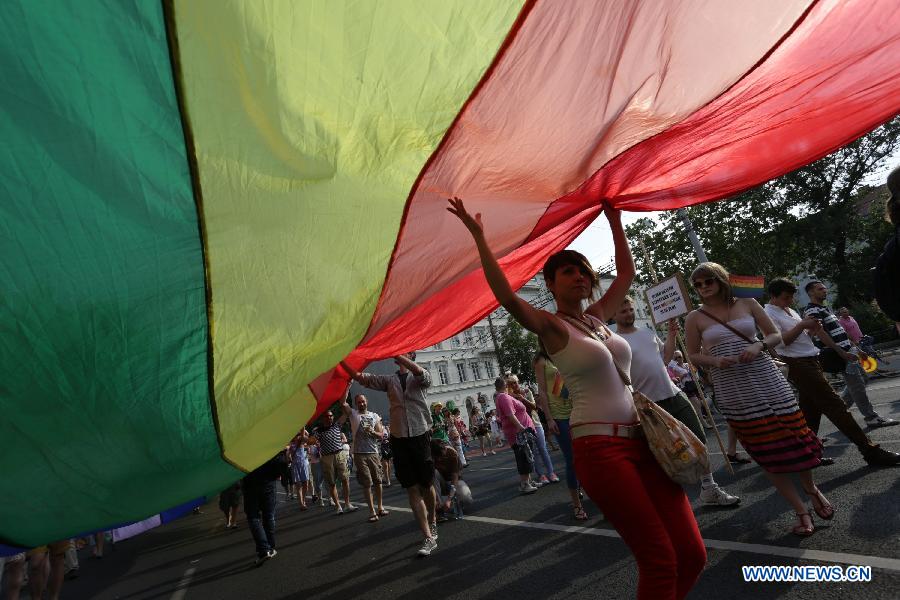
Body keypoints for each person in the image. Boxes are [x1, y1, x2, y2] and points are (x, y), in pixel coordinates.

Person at [449, 197, 705, 599]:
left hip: (645, 441)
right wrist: (480, 238)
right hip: (601, 449)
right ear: (550, 284)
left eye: (584, 271)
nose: (579, 277)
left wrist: (615, 220)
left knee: (692, 555)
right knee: (660, 561)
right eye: (568, 272)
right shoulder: (551, 326)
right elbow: (507, 298)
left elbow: (626, 273)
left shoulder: (597, 319)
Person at [685, 262, 828, 537]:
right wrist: (714, 359)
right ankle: (800, 510)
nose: (704, 288)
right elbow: (692, 354)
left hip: (766, 378)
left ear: (721, 280)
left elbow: (775, 334)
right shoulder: (695, 317)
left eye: (708, 281)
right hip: (733, 388)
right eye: (698, 285)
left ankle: (811, 489)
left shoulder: (747, 302)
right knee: (765, 450)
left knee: (795, 437)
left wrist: (758, 345)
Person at [613, 298, 740, 507]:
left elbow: (665, 358)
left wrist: (671, 335)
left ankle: (709, 488)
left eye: (630, 309)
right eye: (623, 311)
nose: (628, 313)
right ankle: (671, 501)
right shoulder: (616, 342)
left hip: (673, 393)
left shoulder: (647, 333)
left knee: (698, 438)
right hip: (649, 405)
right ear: (614, 315)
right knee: (665, 453)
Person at [764, 278, 900, 466]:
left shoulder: (790, 310)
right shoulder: (768, 313)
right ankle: (870, 450)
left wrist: (812, 330)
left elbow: (801, 338)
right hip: (797, 364)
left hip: (810, 359)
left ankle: (808, 452)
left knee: (810, 410)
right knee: (835, 405)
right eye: (786, 298)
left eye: (792, 297)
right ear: (773, 296)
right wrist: (803, 325)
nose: (790, 301)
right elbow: (780, 343)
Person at [341, 353, 439, 557]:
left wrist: (401, 357)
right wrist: (341, 360)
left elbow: (422, 375)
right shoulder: (389, 380)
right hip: (399, 437)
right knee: (412, 488)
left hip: (420, 434)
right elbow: (361, 378)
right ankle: (428, 536)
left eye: (405, 351)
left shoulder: (420, 375)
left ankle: (433, 520)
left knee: (427, 484)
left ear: (410, 355)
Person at [803, 281, 898, 428]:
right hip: (840, 354)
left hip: (850, 351)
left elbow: (842, 333)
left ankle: (841, 409)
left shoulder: (826, 309)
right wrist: (841, 352)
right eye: (820, 289)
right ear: (810, 293)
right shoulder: (812, 310)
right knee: (857, 385)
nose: (824, 290)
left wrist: (858, 350)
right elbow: (819, 333)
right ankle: (871, 417)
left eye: (824, 288)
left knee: (864, 379)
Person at [534, 347, 589, 520]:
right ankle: (577, 504)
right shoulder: (541, 360)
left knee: (587, 454)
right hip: (559, 416)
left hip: (577, 409)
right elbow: (542, 391)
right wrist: (549, 419)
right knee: (572, 458)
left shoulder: (564, 353)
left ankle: (588, 488)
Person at [344, 394, 389, 522]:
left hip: (373, 452)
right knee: (367, 483)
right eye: (359, 402)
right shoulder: (353, 414)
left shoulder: (374, 416)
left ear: (366, 401)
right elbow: (343, 403)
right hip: (359, 454)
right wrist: (347, 386)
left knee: (378, 481)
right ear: (356, 404)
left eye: (363, 401)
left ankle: (380, 507)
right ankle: (372, 511)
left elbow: (381, 435)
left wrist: (372, 432)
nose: (361, 404)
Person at [507, 374, 558, 485]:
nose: (515, 385)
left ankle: (551, 472)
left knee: (542, 448)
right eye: (511, 383)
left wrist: (523, 399)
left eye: (515, 382)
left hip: (535, 422)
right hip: (523, 426)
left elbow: (535, 406)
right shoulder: (509, 397)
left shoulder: (526, 392)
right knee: (533, 452)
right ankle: (541, 475)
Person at [494, 377, 540, 494]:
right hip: (518, 433)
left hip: (519, 431)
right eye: (508, 383)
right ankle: (524, 484)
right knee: (523, 457)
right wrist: (520, 427)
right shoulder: (503, 397)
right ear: (505, 385)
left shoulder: (503, 396)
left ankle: (528, 481)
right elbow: (510, 415)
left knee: (526, 455)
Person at [242, 452, 284, 566]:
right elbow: (278, 459)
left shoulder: (241, 445)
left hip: (250, 483)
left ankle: (264, 549)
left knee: (253, 517)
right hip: (268, 481)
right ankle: (270, 547)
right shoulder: (265, 439)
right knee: (269, 516)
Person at [318, 408, 358, 515]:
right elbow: (311, 440)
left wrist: (343, 399)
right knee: (332, 483)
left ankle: (347, 504)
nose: (329, 417)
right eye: (327, 416)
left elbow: (346, 413)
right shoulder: (318, 430)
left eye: (331, 416)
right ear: (323, 418)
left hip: (339, 454)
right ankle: (338, 506)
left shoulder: (337, 425)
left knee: (345, 479)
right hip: (327, 457)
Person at [290, 430, 311, 510]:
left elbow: (306, 435)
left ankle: (304, 499)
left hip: (303, 465)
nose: (298, 436)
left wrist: (303, 428)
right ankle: (301, 504)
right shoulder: (291, 445)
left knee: (306, 484)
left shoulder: (302, 443)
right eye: (296, 435)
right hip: (295, 466)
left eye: (298, 435)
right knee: (298, 486)